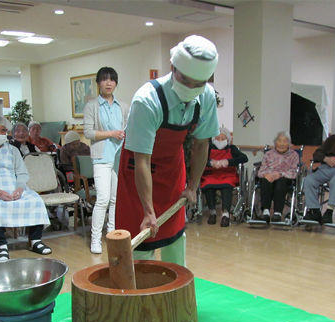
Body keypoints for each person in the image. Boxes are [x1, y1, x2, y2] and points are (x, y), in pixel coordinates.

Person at [116, 35, 219, 266]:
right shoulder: (146, 100)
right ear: (173, 68)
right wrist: (148, 210)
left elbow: (202, 144)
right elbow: (142, 159)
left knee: (174, 235)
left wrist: (192, 186)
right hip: (138, 168)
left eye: (198, 83)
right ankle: (139, 296)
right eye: (185, 80)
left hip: (172, 167)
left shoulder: (207, 97)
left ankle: (175, 293)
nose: (191, 88)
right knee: (142, 238)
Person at [0, 114, 51, 261]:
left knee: (35, 200)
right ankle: (1, 246)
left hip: (14, 187)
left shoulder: (13, 151)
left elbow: (21, 172)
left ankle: (35, 240)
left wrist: (20, 189)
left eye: (3, 130)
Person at [83, 67, 129, 253]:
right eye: (104, 80)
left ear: (116, 83)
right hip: (102, 156)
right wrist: (111, 133)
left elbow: (128, 128)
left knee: (116, 199)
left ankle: (112, 233)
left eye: (112, 80)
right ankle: (95, 240)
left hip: (120, 156)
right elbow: (88, 132)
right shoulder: (91, 106)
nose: (108, 83)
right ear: (98, 83)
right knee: (102, 199)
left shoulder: (123, 106)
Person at [200, 126, 247, 227]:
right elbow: (201, 160)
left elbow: (244, 158)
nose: (220, 141)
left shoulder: (232, 149)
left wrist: (228, 162)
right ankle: (212, 212)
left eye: (223, 138)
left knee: (227, 185)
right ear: (213, 139)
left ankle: (225, 215)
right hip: (212, 174)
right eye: (217, 138)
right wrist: (210, 163)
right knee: (208, 184)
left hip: (227, 174)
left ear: (228, 139)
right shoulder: (209, 148)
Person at [257, 131, 299, 222]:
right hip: (269, 177)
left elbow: (294, 172)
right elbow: (261, 171)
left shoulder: (294, 155)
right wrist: (267, 174)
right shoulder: (268, 154)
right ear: (275, 142)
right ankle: (266, 211)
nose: (282, 144)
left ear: (289, 143)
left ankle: (277, 213)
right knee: (265, 180)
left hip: (284, 179)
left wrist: (280, 174)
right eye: (279, 141)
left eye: (285, 141)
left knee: (281, 182)